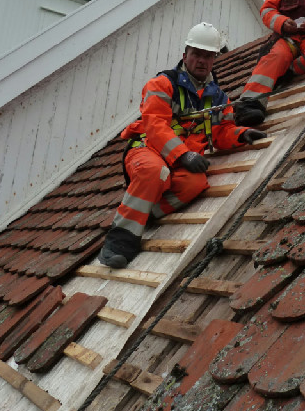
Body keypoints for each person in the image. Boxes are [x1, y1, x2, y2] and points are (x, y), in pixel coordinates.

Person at [99, 22, 266, 268]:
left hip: (180, 158)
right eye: (197, 54)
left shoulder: (219, 97)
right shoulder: (162, 84)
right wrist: (183, 154)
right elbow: (155, 124)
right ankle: (120, 239)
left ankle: (144, 214)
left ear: (214, 59)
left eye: (208, 56)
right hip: (147, 149)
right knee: (153, 172)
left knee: (195, 183)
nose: (202, 60)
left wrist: (241, 135)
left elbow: (222, 133)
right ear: (185, 55)